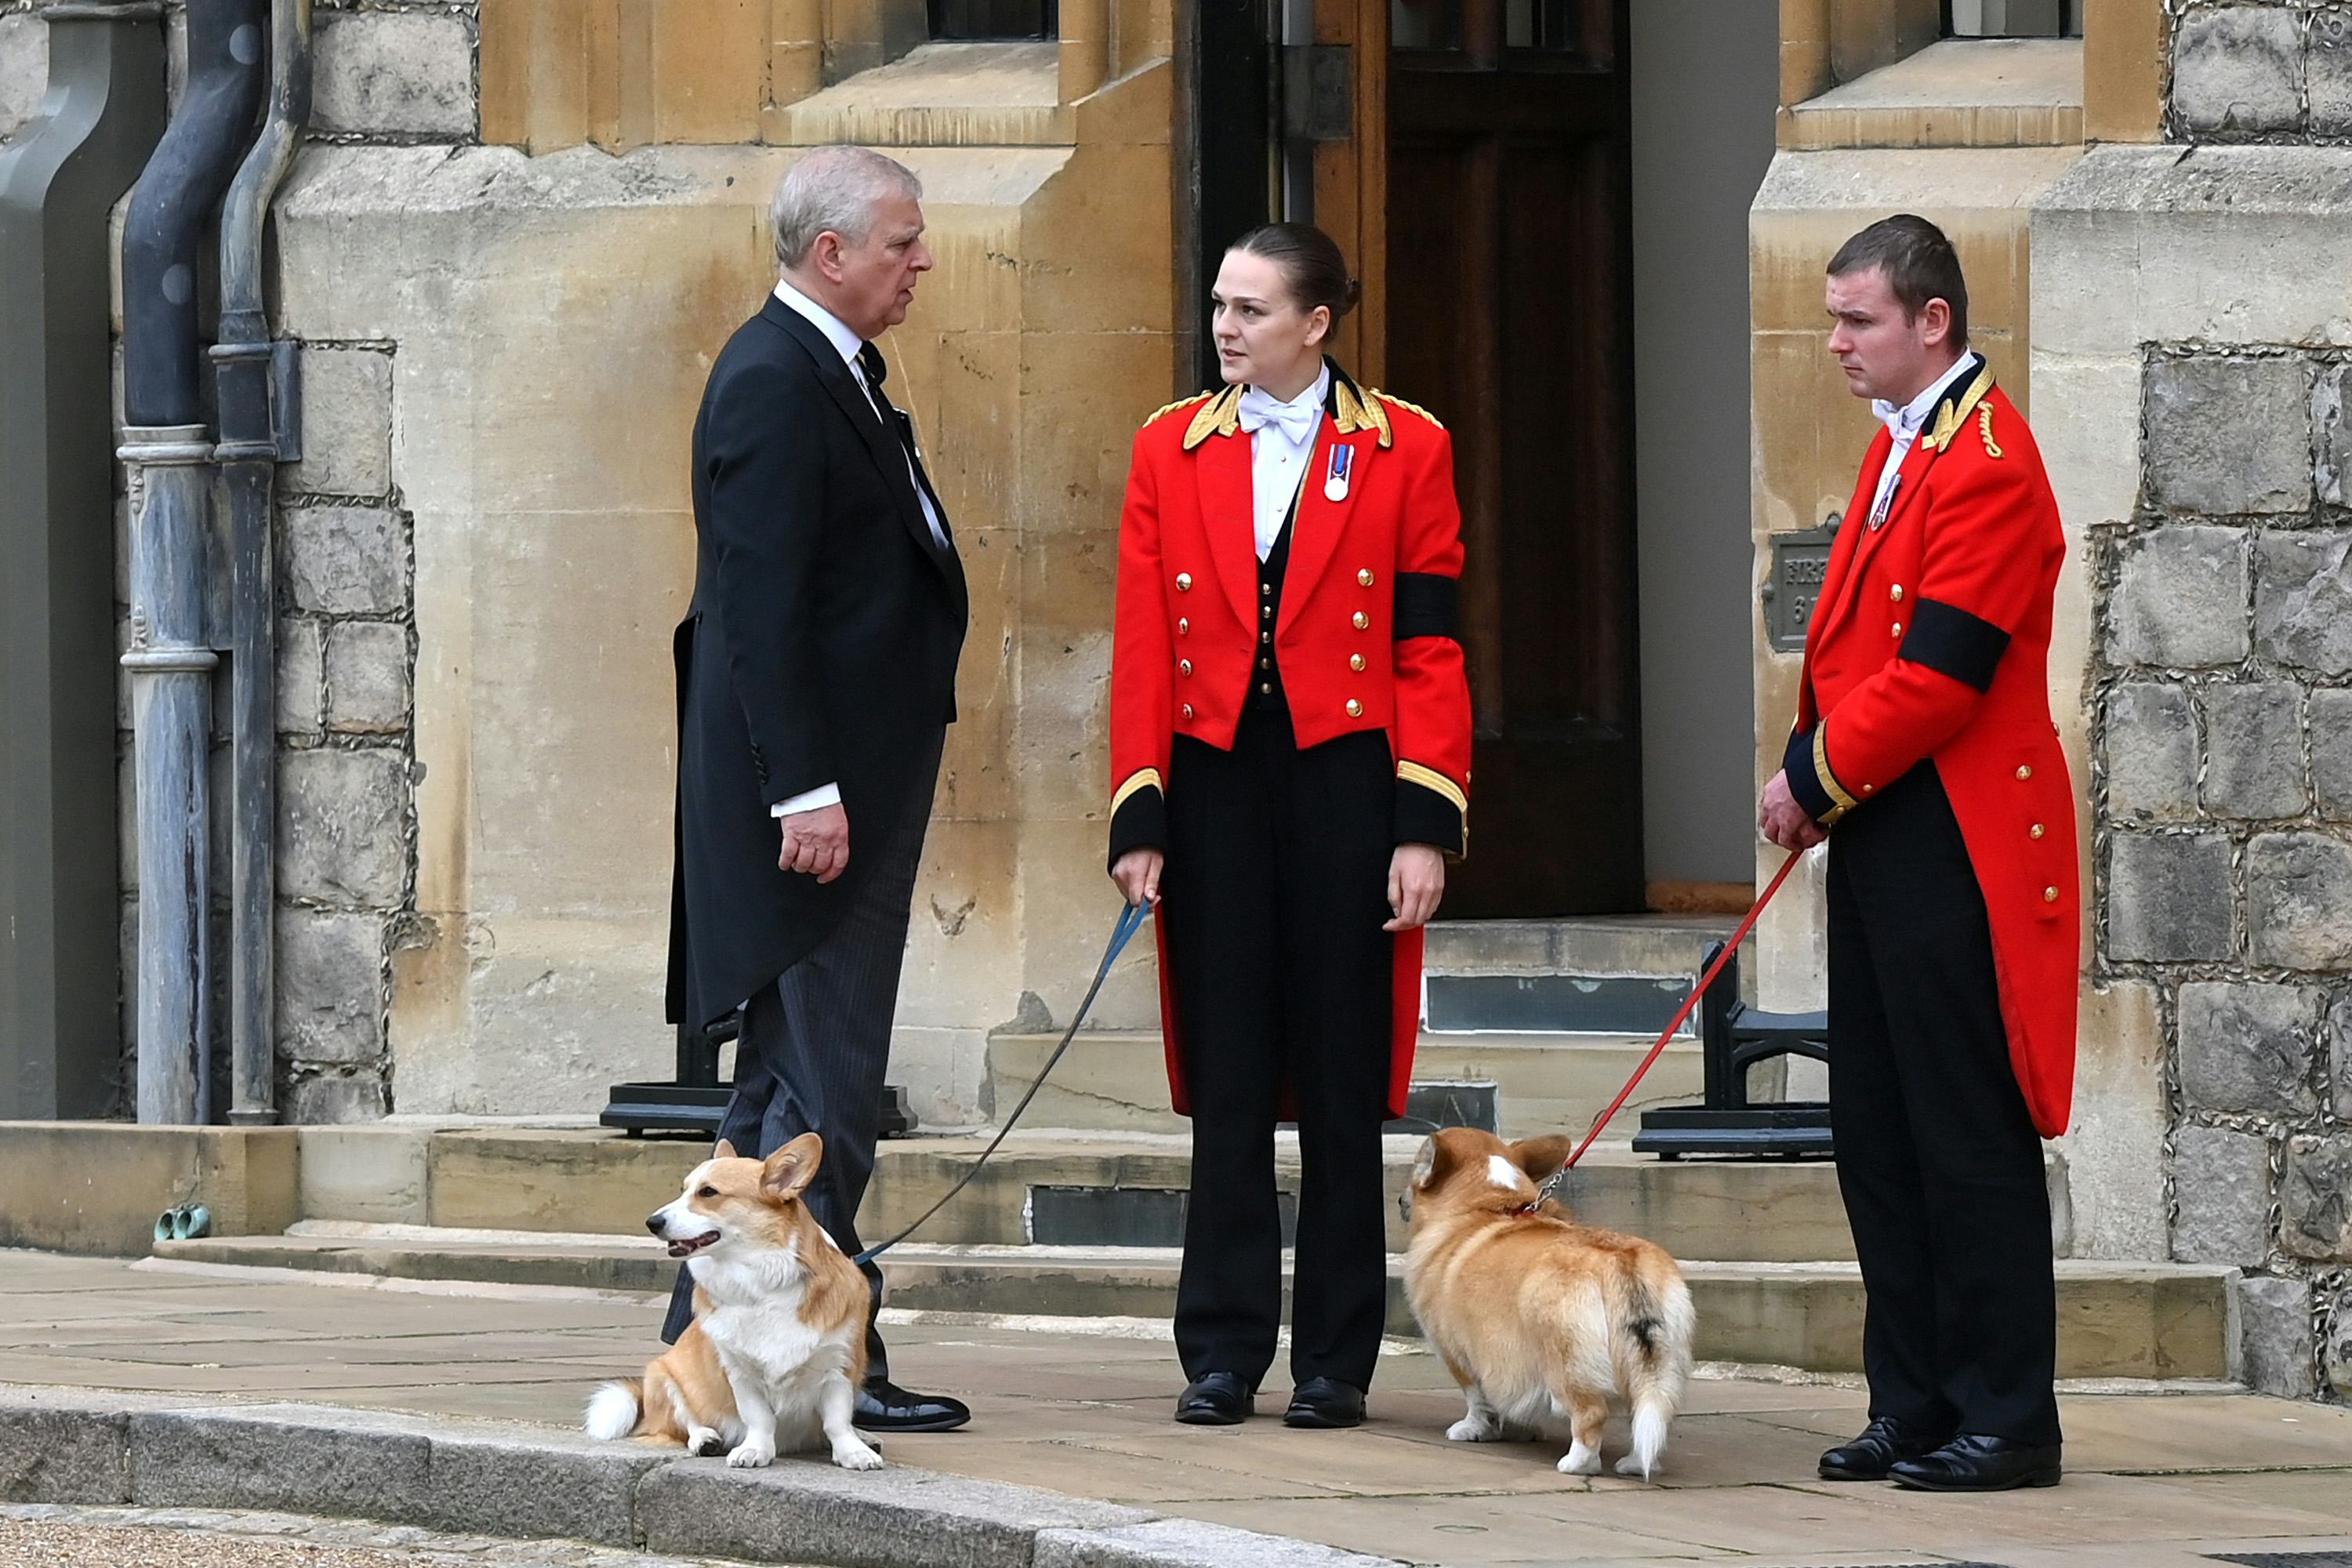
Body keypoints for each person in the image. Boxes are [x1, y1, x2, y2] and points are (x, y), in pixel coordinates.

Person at [1105, 223, 1472, 1430]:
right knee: (1227, 1075)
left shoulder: (1406, 443)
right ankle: (1218, 1352)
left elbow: (1427, 644)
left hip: (1349, 787)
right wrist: (1140, 814)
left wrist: (1424, 823)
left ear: (1316, 324)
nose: (1225, 326)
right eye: (1220, 304)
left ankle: (1334, 1364)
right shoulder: (1170, 445)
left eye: (1251, 309)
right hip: (1213, 785)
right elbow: (1143, 649)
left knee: (1339, 1071)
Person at [1758, 215, 2077, 1492]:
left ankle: (2009, 1416)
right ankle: (1917, 1401)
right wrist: (1828, 784)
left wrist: (1808, 779)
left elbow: (1942, 676)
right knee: (1879, 1130)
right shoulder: (1908, 448)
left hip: (1958, 830)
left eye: (1858, 321)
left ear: (1932, 321)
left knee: (1962, 1131)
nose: (1835, 342)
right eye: (1835, 319)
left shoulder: (1987, 458)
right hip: (1893, 820)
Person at [663, 145, 971, 1433]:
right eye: (902, 240)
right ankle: (831, 1360)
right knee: (822, 1091)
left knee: (787, 1096)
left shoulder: (830, 369)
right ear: (830, 251)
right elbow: (758, 613)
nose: (923, 261)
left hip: (847, 794)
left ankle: (706, 1363)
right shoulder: (776, 379)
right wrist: (805, 792)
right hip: (815, 811)